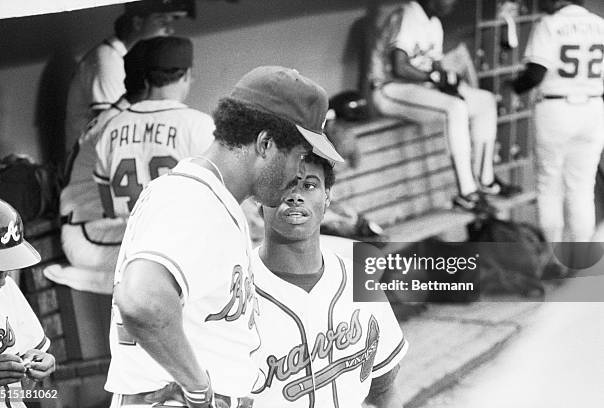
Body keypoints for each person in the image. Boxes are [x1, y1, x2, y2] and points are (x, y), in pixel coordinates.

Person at [104, 66, 344, 407]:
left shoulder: (211, 199)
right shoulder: (192, 199)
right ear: (265, 143)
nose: (300, 174)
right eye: (300, 157)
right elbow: (141, 299)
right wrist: (197, 388)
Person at [250, 153, 407, 407]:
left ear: (327, 197)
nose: (295, 196)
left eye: (309, 185)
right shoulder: (235, 293)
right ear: (259, 197)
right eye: (282, 184)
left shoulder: (359, 280)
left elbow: (384, 392)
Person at [369, 0, 520, 213]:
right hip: (389, 89)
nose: (452, 2)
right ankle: (466, 194)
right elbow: (399, 67)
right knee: (455, 107)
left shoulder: (434, 24)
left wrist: (449, 82)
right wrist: (437, 77)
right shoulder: (407, 14)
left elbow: (434, 68)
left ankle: (486, 180)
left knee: (485, 101)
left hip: (420, 90)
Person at [57, 39, 151, 294]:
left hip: (109, 225)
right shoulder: (113, 123)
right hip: (86, 231)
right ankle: (90, 280)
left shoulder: (138, 116)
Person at [511, 0, 604, 242]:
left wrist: (511, 86)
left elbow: (534, 74)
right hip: (593, 107)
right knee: (582, 189)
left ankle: (553, 257)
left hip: (556, 107)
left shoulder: (550, 24)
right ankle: (581, 258)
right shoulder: (599, 24)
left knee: (549, 186)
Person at [94, 36, 214, 219]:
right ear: (187, 75)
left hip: (134, 243)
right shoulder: (200, 125)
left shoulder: (111, 127)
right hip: (186, 241)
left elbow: (109, 208)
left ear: (147, 79)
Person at [64, 0, 194, 153]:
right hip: (89, 163)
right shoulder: (108, 60)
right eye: (161, 20)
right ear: (138, 22)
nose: (169, 30)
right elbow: (112, 127)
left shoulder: (131, 57)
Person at [0, 197, 55, 406]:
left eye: (4, 266)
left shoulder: (7, 290)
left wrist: (32, 369)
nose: (0, 279)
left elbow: (21, 391)